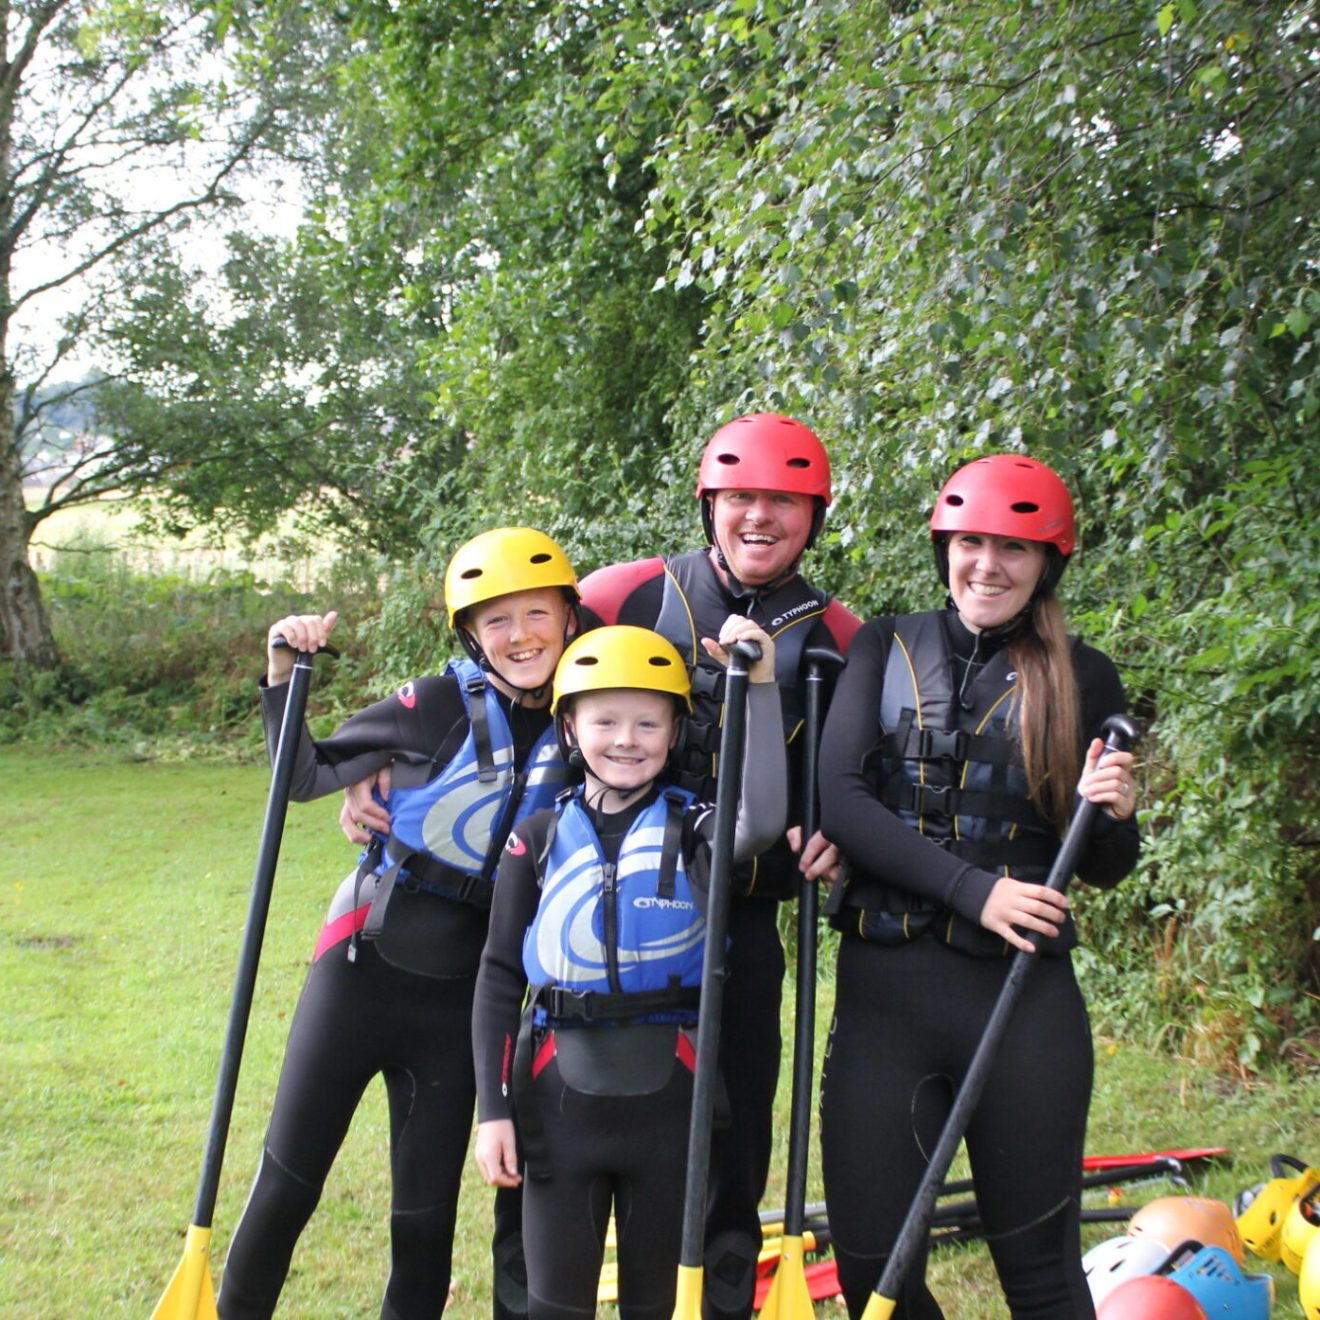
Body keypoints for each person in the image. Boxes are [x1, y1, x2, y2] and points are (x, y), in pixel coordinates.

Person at [339, 413, 861, 1319]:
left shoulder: (836, 637)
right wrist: (397, 762)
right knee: (549, 1143)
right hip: (580, 894)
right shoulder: (629, 594)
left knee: (725, 1159)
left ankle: (718, 1304)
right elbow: (511, 658)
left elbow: (855, 774)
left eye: (783, 501)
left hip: (733, 922)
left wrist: (838, 834)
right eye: (742, 497)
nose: (760, 517)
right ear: (711, 505)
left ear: (812, 516)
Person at [217, 527, 581, 1320]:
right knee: (287, 1185)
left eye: (535, 614)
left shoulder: (592, 718)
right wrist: (285, 668)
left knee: (423, 1227)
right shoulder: (433, 703)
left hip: (464, 1001)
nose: (520, 637)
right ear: (468, 634)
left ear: (570, 615)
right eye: (495, 621)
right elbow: (302, 776)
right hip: (362, 972)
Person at [815, 454, 1141, 1320]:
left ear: (1047, 566)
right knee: (871, 1274)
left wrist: (1112, 813)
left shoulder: (1083, 675)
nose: (987, 566)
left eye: (1014, 549)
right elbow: (841, 801)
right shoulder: (882, 646)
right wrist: (974, 890)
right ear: (944, 549)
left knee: (1038, 1271)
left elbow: (1105, 865)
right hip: (885, 1004)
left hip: (1021, 1005)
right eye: (971, 544)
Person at [470, 620, 787, 1320]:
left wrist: (758, 688)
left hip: (670, 1108)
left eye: (648, 723)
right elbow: (498, 976)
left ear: (675, 735)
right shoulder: (539, 837)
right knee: (555, 1307)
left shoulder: (697, 828)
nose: (626, 739)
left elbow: (761, 820)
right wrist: (493, 1112)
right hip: (557, 1107)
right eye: (605, 720)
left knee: (657, 1305)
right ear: (569, 730)